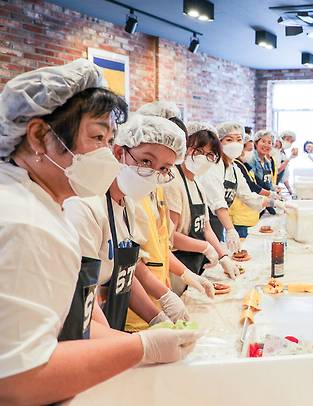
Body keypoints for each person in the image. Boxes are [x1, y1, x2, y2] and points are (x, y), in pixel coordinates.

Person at [0, 60, 197, 404]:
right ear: (38, 136)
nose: (108, 154)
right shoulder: (25, 221)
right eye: (96, 137)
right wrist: (139, 348)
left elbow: (80, 311)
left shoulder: (46, 205)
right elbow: (17, 379)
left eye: (109, 139)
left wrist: (154, 321)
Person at [62, 113, 190, 331]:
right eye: (146, 161)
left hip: (112, 326)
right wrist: (128, 344)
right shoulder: (86, 205)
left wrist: (157, 318)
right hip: (83, 331)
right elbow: (79, 297)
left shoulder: (129, 206)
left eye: (163, 169)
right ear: (120, 152)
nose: (152, 173)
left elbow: (126, 274)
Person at [121, 101, 214, 332]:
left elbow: (162, 244)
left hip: (157, 297)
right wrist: (162, 301)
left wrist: (187, 275)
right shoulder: (130, 191)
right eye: (146, 160)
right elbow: (132, 261)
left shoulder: (158, 186)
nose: (157, 170)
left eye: (165, 166)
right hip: (136, 311)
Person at [164, 121, 238, 294]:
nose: (203, 157)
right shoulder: (173, 182)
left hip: (195, 263)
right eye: (198, 151)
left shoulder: (196, 182)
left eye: (210, 154)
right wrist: (204, 247)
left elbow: (205, 227)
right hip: (177, 265)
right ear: (185, 146)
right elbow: (169, 236)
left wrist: (223, 256)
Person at [201, 122, 280, 242]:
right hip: (205, 222)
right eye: (229, 139)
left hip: (219, 222)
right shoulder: (213, 167)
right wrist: (230, 230)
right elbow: (218, 202)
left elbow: (247, 196)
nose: (235, 144)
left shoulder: (233, 168)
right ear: (219, 142)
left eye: (239, 140)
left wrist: (273, 202)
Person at [230, 132, 269, 238]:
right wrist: (270, 199)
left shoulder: (244, 164)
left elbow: (256, 182)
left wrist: (271, 193)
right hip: (240, 216)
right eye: (249, 150)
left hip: (249, 214)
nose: (251, 153)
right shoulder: (236, 165)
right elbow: (249, 188)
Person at [250, 129, 282, 215]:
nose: (266, 145)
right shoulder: (251, 159)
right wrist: (270, 194)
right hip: (252, 203)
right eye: (263, 141)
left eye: (269, 142)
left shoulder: (267, 162)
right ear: (256, 143)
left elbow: (267, 182)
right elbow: (251, 184)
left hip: (263, 203)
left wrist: (274, 188)